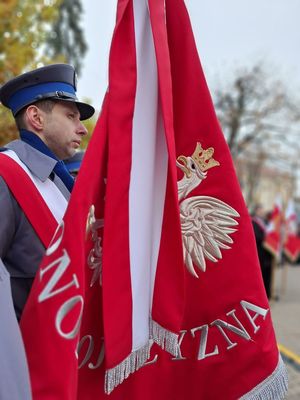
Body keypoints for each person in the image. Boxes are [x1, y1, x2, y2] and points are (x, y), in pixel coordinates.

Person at [0, 64, 95, 321]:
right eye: (70, 116)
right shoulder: (6, 175)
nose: (82, 128)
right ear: (36, 118)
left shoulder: (59, 181)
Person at [251, 204, 273, 299]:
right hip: (260, 253)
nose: (262, 212)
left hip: (267, 253)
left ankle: (268, 294)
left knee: (267, 275)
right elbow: (257, 236)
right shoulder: (253, 222)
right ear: (256, 211)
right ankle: (261, 296)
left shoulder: (265, 222)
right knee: (261, 276)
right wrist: (266, 238)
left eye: (263, 210)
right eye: (260, 210)